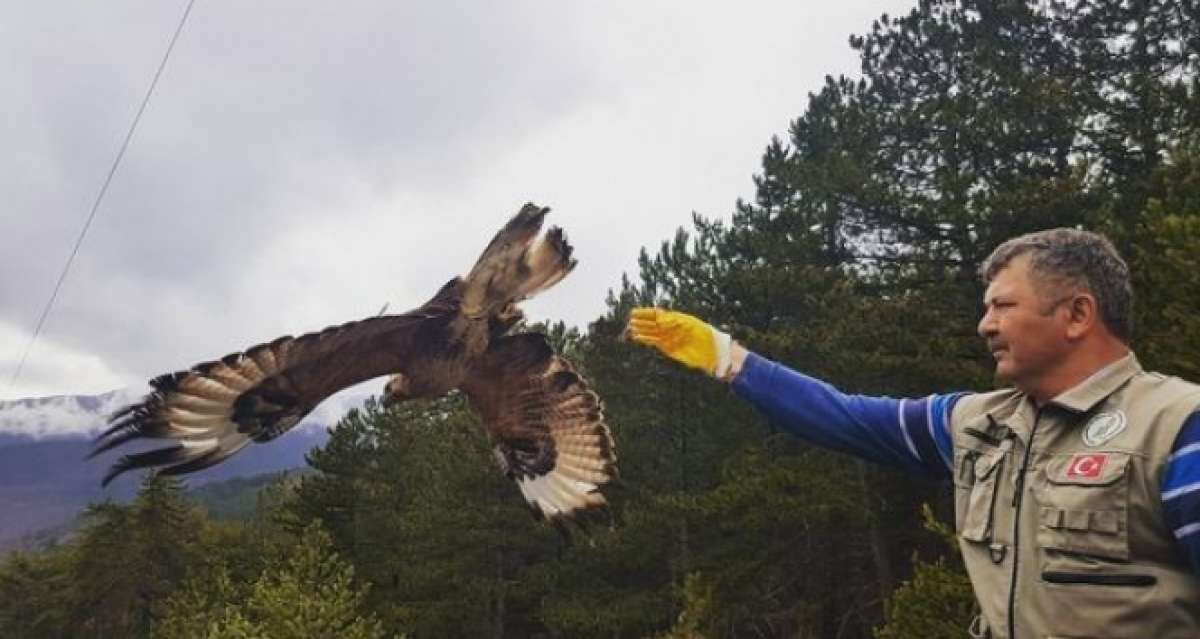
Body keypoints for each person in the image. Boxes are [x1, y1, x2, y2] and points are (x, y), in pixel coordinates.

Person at [627, 228, 1200, 639]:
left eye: (1003, 306)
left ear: (1077, 315)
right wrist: (729, 359)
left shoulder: (1176, 426)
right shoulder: (979, 424)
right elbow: (845, 417)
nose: (985, 325)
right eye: (986, 308)